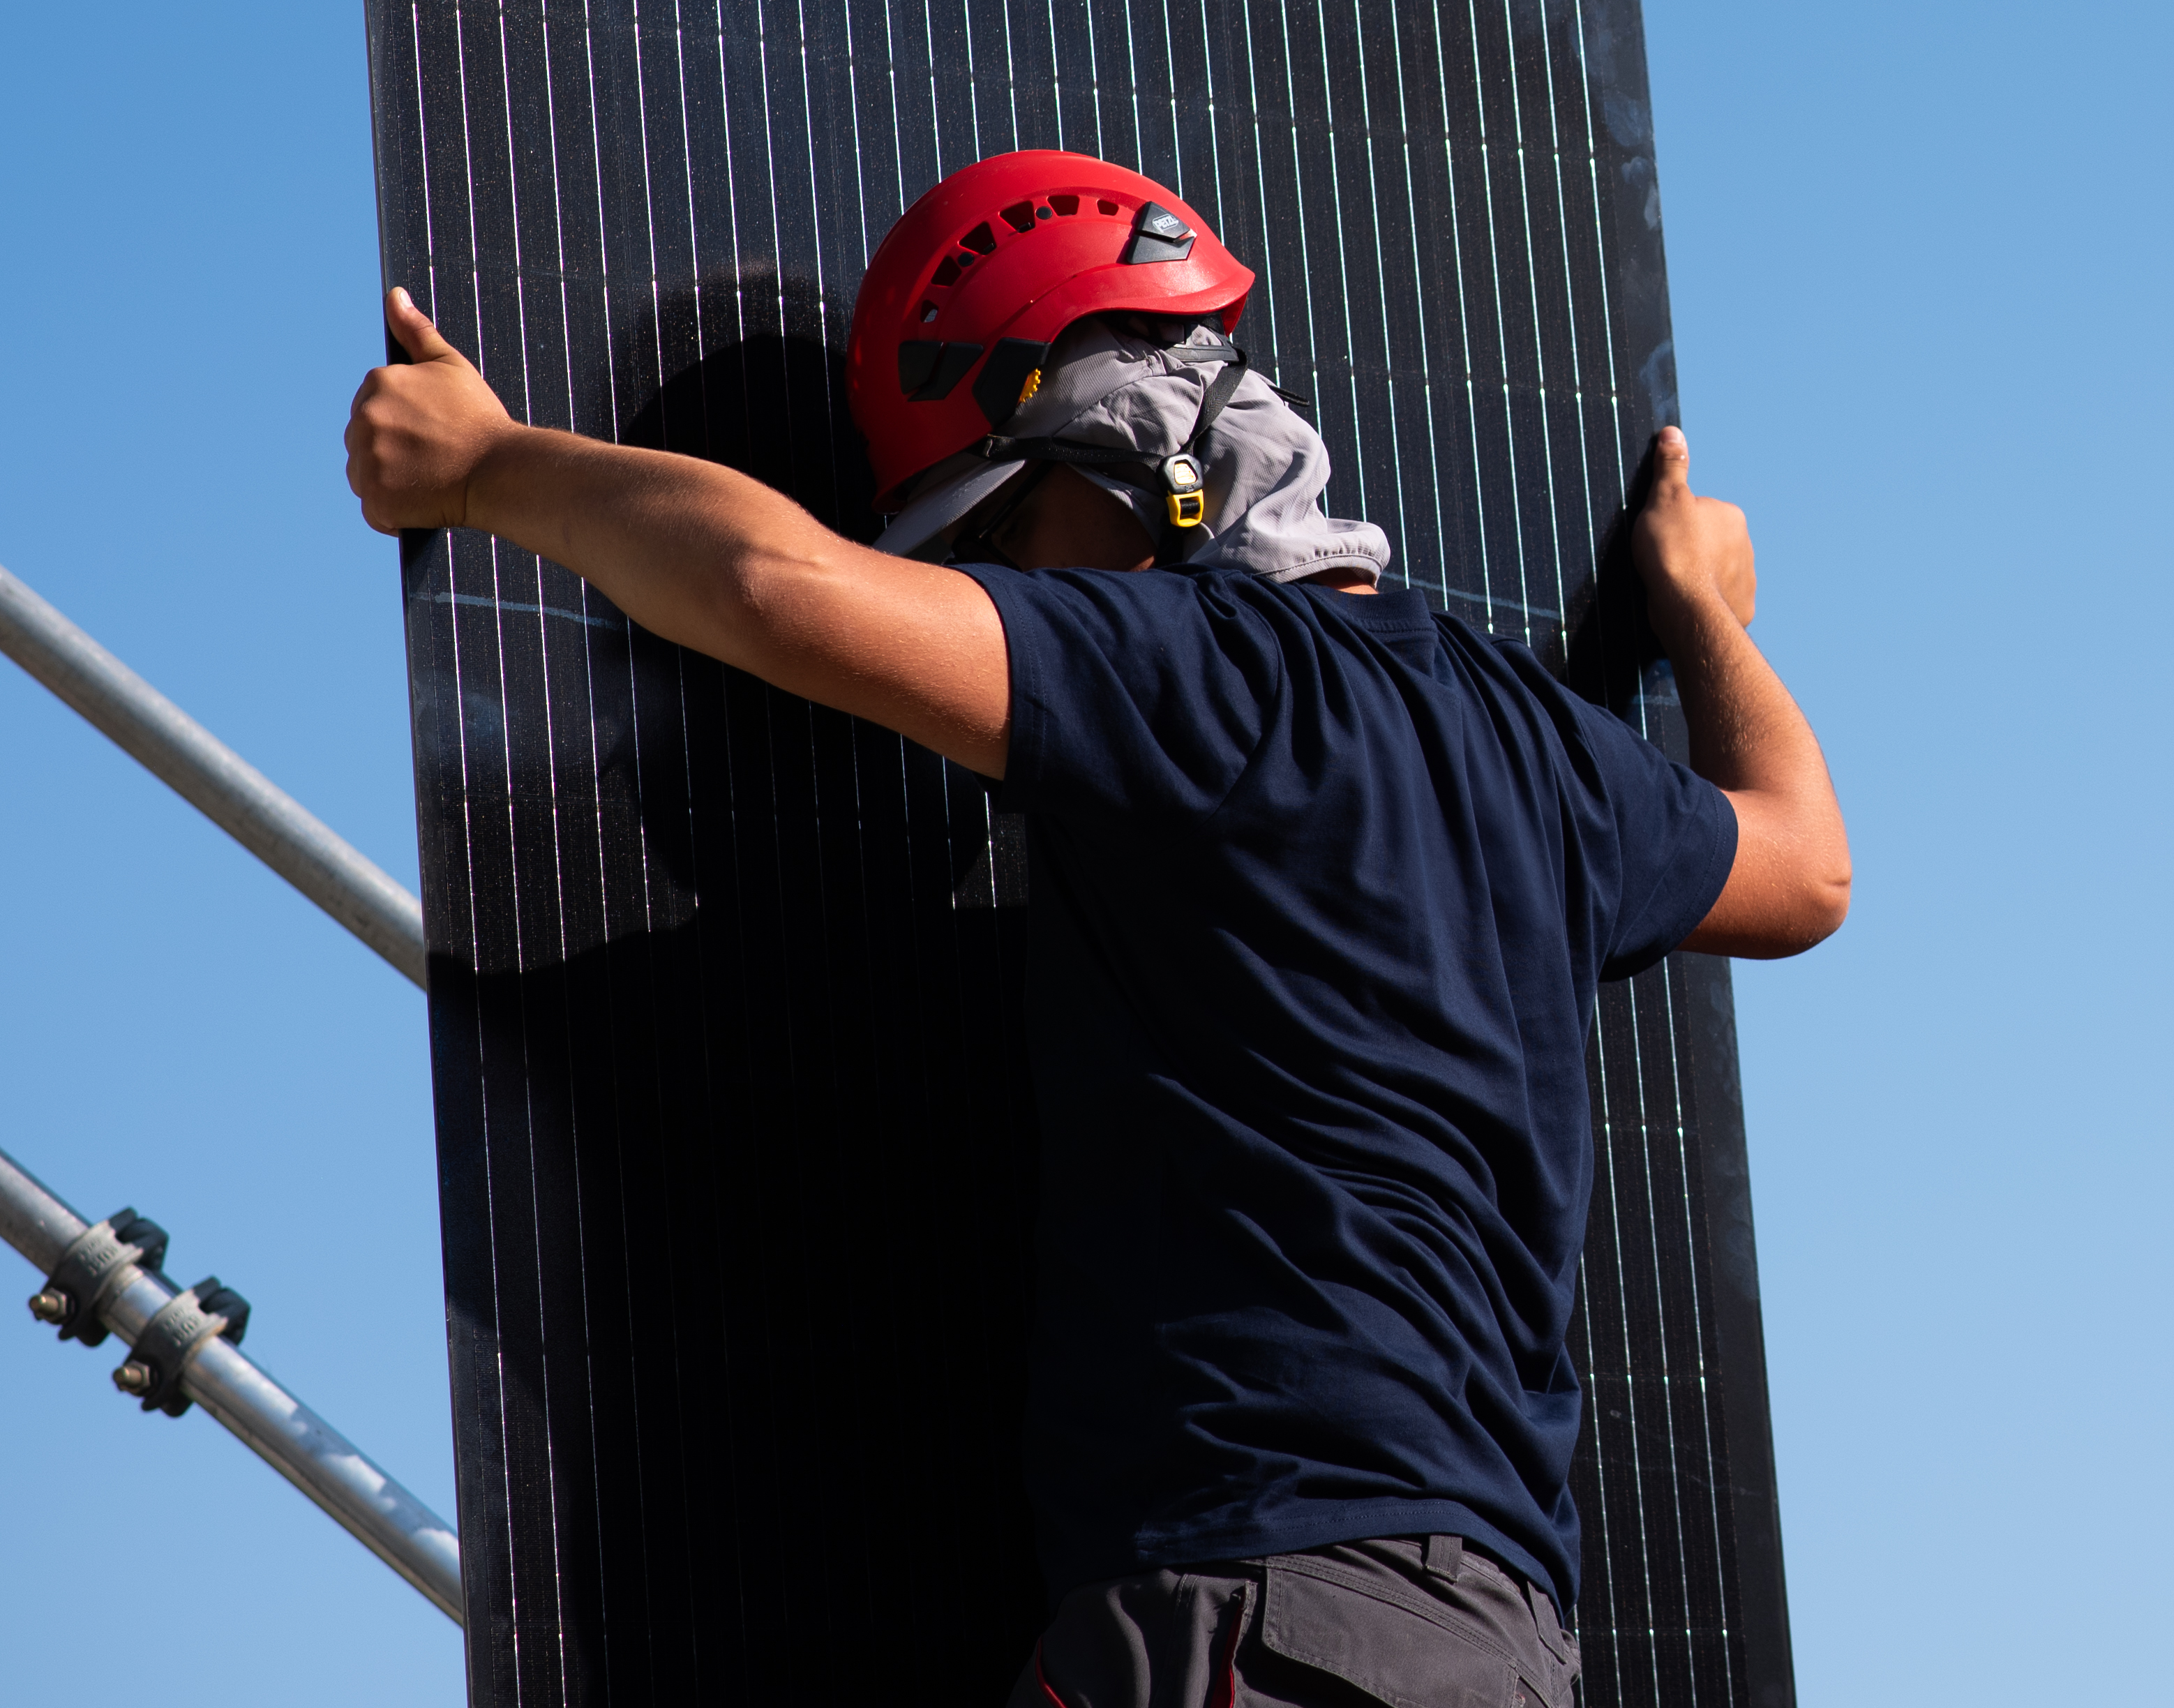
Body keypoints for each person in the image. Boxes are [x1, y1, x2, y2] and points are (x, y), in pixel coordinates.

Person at [342, 149, 1850, 1708]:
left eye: (997, 529)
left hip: (1250, 1623)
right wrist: (1704, 612)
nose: (984, 589)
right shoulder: (1544, 754)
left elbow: (770, 581)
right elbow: (1805, 869)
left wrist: (489, 466)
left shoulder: (1203, 678)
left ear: (1136, 454)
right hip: (1498, 1646)